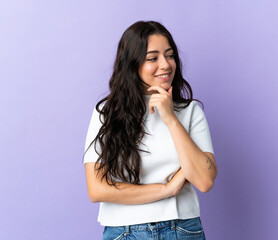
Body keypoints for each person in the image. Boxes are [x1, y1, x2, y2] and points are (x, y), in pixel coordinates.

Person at [83, 20, 217, 240]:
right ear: (132, 64)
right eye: (153, 58)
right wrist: (168, 189)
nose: (165, 64)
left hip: (182, 229)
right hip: (124, 232)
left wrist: (171, 119)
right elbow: (97, 190)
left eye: (170, 55)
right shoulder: (106, 114)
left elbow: (204, 180)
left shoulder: (190, 112)